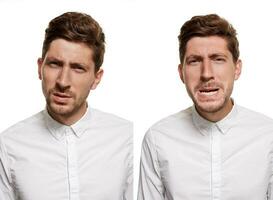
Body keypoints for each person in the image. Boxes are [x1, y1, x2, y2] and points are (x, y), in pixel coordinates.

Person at [137, 14, 273, 200]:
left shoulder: (268, 136)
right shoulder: (158, 139)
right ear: (181, 73)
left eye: (218, 59)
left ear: (237, 69)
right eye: (194, 61)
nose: (206, 74)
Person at [0, 12, 133, 200]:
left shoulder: (126, 139)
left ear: (96, 78)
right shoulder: (9, 145)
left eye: (78, 68)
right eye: (54, 64)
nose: (63, 81)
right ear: (40, 68)